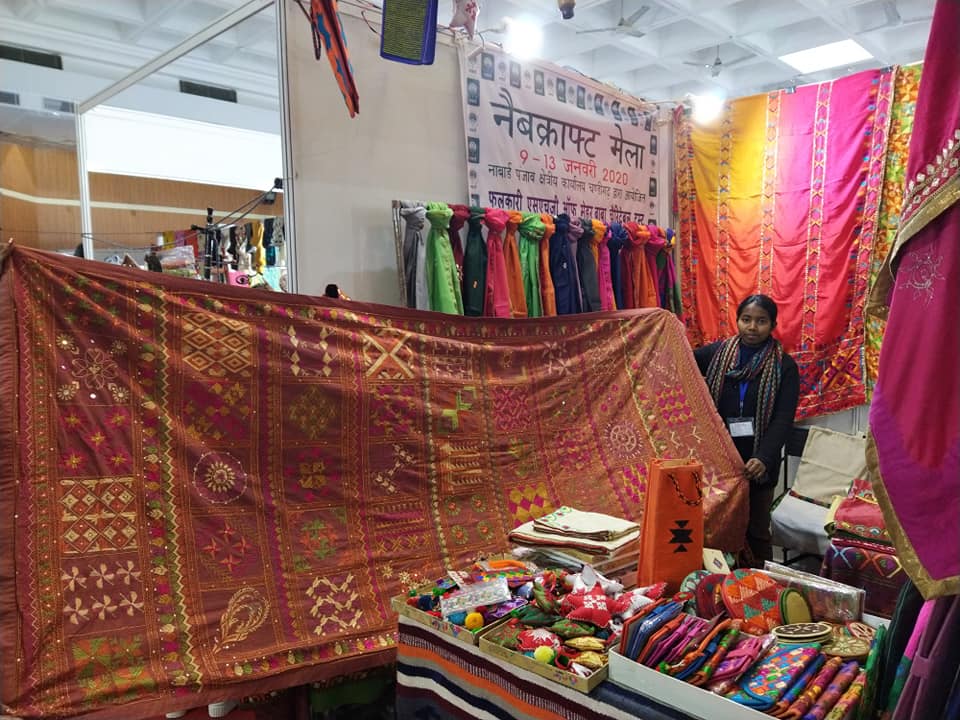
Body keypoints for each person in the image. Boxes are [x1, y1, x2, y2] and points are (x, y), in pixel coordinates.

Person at [694, 294, 799, 565]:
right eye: (746, 319)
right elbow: (678, 360)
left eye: (761, 321)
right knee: (718, 525)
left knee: (756, 531)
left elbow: (783, 418)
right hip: (720, 462)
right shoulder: (716, 354)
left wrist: (764, 458)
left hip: (758, 466)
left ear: (773, 324)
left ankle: (760, 587)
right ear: (737, 320)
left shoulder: (784, 366)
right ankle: (721, 586)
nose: (753, 327)